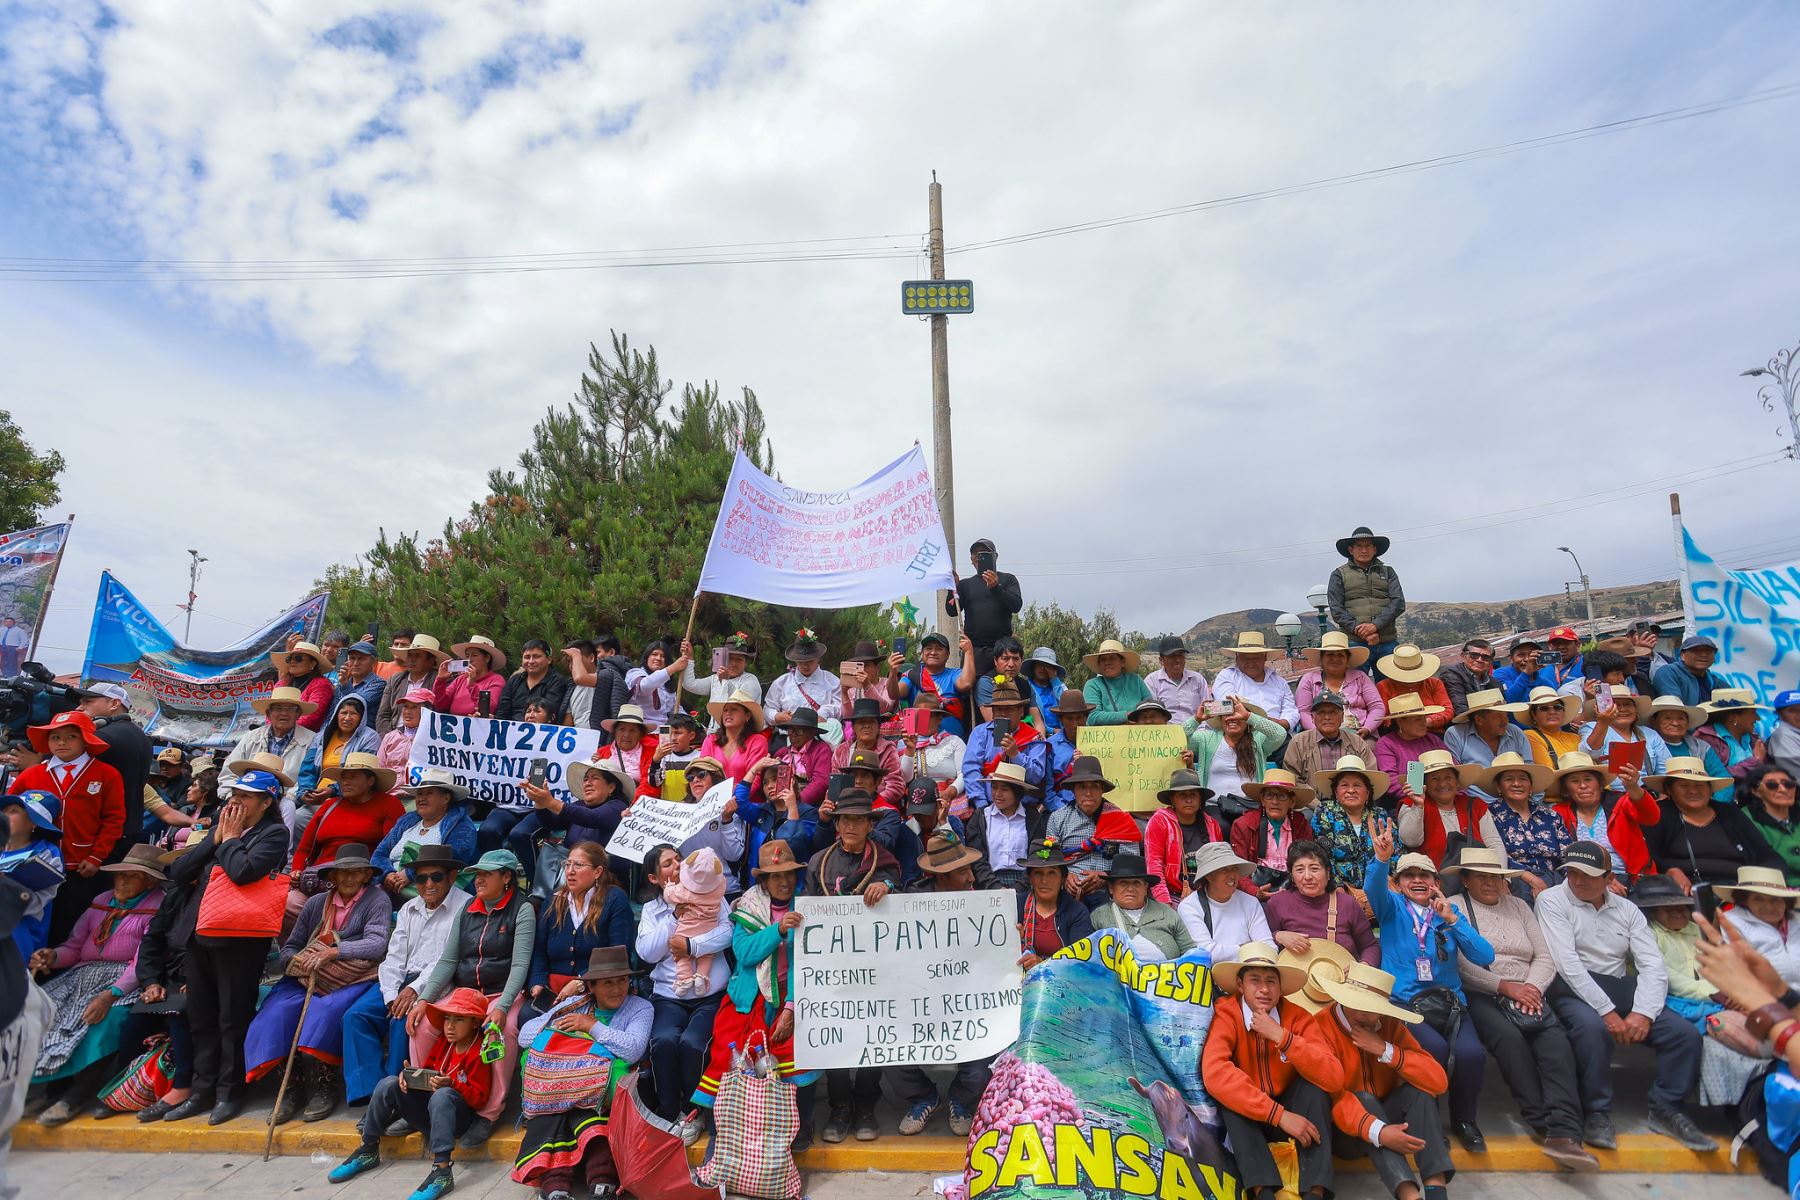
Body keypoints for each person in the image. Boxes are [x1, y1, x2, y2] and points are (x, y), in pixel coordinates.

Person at [1536, 840, 1715, 1151]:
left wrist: (1643, 1013)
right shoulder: (1552, 901)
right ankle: (1597, 1111)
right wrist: (1607, 1013)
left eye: (1588, 874)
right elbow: (1569, 965)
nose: (1577, 880)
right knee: (1593, 1031)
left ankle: (1667, 1106)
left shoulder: (1627, 908)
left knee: (1682, 1034)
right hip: (1573, 991)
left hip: (1620, 987)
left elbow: (1652, 965)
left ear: (1608, 878)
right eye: (1572, 872)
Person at [1444, 846, 1597, 1170]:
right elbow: (1458, 963)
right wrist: (1503, 986)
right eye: (1481, 877)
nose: (1489, 883)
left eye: (1495, 877)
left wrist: (1531, 988)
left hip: (1529, 990)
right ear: (1466, 880)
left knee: (1555, 1044)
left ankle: (1565, 1133)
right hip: (1484, 992)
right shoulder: (1455, 907)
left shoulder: (1519, 906)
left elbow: (1544, 954)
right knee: (1509, 1041)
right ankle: (1542, 1122)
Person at [160, 767, 291, 1125]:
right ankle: (202, 1090)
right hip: (200, 933)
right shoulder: (221, 829)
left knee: (232, 1018)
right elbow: (178, 871)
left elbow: (244, 873)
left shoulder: (275, 833)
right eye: (235, 794)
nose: (236, 801)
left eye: (246, 796)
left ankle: (229, 1091)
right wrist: (215, 839)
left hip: (239, 939)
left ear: (266, 802)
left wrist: (230, 840)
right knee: (201, 1017)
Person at [1363, 828, 1495, 1151]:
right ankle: (1430, 1122)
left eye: (1425, 875)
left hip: (1450, 1004)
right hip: (1406, 1004)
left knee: (1471, 1055)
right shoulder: (1392, 906)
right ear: (1398, 882)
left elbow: (1485, 955)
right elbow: (1372, 888)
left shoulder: (1448, 912)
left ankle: (1465, 1119)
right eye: (1409, 875)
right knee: (1432, 1051)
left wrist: (1453, 921)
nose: (1418, 881)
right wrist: (1382, 859)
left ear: (1437, 881)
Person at [246, 842, 389, 1125]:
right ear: (332, 877)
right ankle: (291, 1089)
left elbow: (377, 944)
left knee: (324, 1013)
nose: (349, 878)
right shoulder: (314, 904)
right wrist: (294, 961)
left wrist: (334, 952)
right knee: (274, 1016)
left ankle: (324, 1088)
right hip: (307, 976)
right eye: (342, 873)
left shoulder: (377, 900)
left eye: (356, 872)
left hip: (353, 977)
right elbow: (291, 945)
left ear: (365, 875)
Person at [690, 841, 819, 1144]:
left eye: (788, 874)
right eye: (775, 876)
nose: (784, 881)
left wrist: (790, 1007)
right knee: (728, 1054)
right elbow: (744, 953)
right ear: (763, 880)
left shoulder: (808, 906)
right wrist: (778, 931)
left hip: (794, 995)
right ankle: (726, 1128)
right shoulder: (748, 908)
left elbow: (809, 961)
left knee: (798, 1053)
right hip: (749, 998)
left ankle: (799, 1129)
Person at [406, 848, 536, 1147]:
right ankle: (429, 1100)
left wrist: (503, 1006)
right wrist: (424, 999)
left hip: (502, 992)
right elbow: (449, 961)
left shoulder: (522, 908)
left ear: (507, 878)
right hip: (464, 994)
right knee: (422, 1023)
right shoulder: (468, 908)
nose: (478, 879)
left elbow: (519, 965)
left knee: (502, 1031)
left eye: (487, 874)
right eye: (477, 874)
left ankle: (489, 1113)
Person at [27, 843, 164, 1125]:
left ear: (149, 881)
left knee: (99, 1019)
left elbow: (143, 963)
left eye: (132, 876)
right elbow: (75, 947)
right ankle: (47, 1088)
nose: (123, 881)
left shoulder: (158, 906)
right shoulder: (101, 901)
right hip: (81, 975)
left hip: (124, 982)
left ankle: (76, 1095)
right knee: (40, 1007)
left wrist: (110, 995)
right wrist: (52, 957)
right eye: (120, 875)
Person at [1202, 941, 1345, 1200]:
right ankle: (1263, 1192)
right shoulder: (1226, 1013)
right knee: (1230, 1099)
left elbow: (1333, 1077)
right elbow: (1215, 1073)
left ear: (1281, 988)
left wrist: (1283, 1037)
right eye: (1255, 980)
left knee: (1315, 1090)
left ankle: (1315, 1191)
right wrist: (1278, 1115)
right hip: (1253, 1123)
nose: (1264, 989)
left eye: (1271, 981)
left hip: (1292, 1114)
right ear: (1240, 985)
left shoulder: (1298, 1017)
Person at [508, 947, 650, 1200]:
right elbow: (526, 1036)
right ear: (591, 986)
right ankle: (562, 1186)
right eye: (608, 983)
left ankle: (594, 1181)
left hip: (601, 1096)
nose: (617, 989)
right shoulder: (576, 1004)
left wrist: (591, 1026)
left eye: (622, 980)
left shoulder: (640, 1008)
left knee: (569, 1110)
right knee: (559, 1107)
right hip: (564, 1088)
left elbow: (633, 1050)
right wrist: (556, 1029)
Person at [327, 986, 495, 1200]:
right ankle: (368, 1148)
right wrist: (409, 1078)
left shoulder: (478, 1051)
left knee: (443, 1096)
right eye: (447, 1019)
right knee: (388, 1083)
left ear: (474, 1023)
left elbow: (480, 1099)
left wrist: (452, 1085)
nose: (450, 1026)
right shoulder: (444, 1043)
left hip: (456, 1121)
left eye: (459, 1020)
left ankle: (442, 1172)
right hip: (430, 1115)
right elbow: (427, 1074)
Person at [892, 830, 1005, 1136]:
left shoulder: (984, 904)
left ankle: (961, 1099)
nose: (972, 878)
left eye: (970, 869)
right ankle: (924, 1098)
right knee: (887, 1052)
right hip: (919, 1003)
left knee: (982, 1064)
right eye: (963, 871)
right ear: (940, 877)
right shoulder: (908, 904)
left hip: (969, 1003)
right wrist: (882, 886)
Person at [1309, 962, 1452, 1200]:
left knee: (1420, 1093)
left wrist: (1386, 1050)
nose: (1361, 1014)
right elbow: (1333, 1095)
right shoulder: (1321, 1027)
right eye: (1356, 1005)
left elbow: (1438, 1082)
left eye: (1371, 1008)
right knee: (1363, 1098)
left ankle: (1437, 1191)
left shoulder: (1390, 1027)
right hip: (1345, 1132)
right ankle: (1409, 1196)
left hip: (1386, 1116)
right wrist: (1380, 1131)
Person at [802, 789, 898, 1142]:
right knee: (837, 1034)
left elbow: (904, 899)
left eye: (859, 819)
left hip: (875, 968)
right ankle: (841, 1104)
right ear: (837, 823)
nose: (851, 825)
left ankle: (866, 1103)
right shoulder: (818, 863)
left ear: (870, 825)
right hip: (832, 967)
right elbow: (810, 910)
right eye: (846, 819)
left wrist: (886, 886)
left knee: (873, 1033)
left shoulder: (884, 861)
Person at [344, 844, 469, 1108]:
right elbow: (393, 959)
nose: (428, 884)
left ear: (452, 877)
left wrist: (414, 990)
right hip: (399, 983)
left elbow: (448, 960)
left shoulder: (465, 907)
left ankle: (393, 1099)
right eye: (421, 878)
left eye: (436, 877)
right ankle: (373, 1092)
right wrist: (391, 997)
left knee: (404, 1022)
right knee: (355, 1016)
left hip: (437, 984)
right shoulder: (409, 908)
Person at [1636, 875, 1768, 1108]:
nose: (1678, 913)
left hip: (1720, 998)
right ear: (1653, 911)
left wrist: (1733, 991)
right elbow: (1666, 976)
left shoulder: (1698, 931)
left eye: (1682, 907)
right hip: (1676, 1002)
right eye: (1668, 909)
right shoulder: (1648, 934)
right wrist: (1717, 993)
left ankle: (1759, 1095)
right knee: (1740, 1033)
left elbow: (1725, 964)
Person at [632, 841, 731, 1124]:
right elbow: (647, 952)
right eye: (667, 864)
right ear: (654, 878)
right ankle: (669, 1112)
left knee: (692, 1043)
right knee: (663, 1041)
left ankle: (695, 1113)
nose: (677, 866)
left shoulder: (714, 893)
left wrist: (691, 945)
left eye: (678, 859)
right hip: (668, 996)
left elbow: (727, 933)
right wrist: (675, 917)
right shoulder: (653, 910)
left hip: (710, 993)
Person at [10, 711, 125, 947]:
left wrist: (96, 856)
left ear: (85, 740)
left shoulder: (106, 774)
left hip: (81, 867)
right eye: (55, 737)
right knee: (31, 920)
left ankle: (57, 972)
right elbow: (8, 815)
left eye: (71, 736)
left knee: (70, 925)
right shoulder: (31, 775)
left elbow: (114, 819)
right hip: (33, 866)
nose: (62, 743)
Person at [1643, 755, 1781, 894]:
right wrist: (1669, 870)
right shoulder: (1658, 813)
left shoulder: (1730, 813)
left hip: (1739, 892)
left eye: (1699, 785)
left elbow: (1768, 856)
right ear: (1669, 790)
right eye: (1684, 785)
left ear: (1710, 790)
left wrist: (1765, 881)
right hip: (1684, 893)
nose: (1693, 791)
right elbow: (1648, 857)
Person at [290, 751, 405, 914]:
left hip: (362, 877)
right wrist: (297, 870)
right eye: (344, 777)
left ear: (371, 780)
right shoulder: (329, 805)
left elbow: (391, 849)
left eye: (353, 777)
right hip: (321, 877)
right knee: (291, 903)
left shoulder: (389, 804)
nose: (346, 782)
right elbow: (305, 849)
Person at [530, 841, 634, 1003]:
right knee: (527, 1016)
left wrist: (582, 980)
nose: (570, 871)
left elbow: (618, 951)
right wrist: (538, 982)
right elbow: (539, 950)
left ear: (597, 871)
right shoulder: (554, 899)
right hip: (552, 988)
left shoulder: (614, 898)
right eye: (567, 864)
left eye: (578, 865)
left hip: (598, 988)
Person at [1547, 750, 1658, 887]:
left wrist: (1633, 788)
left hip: (1633, 881)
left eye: (1588, 779)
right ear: (1566, 789)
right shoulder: (1559, 813)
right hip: (1584, 882)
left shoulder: (1621, 802)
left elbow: (1651, 818)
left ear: (1600, 784)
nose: (1583, 786)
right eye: (1574, 781)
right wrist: (1603, 881)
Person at [1266, 840, 1379, 966]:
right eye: (1299, 870)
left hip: (1340, 982)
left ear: (1328, 872)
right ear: (1292, 876)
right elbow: (1261, 943)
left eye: (1314, 869)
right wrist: (1278, 936)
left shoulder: (1347, 904)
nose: (1307, 876)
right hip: (1294, 983)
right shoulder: (1277, 903)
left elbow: (1370, 946)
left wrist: (1363, 965)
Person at [373, 767, 479, 901]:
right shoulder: (406, 821)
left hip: (435, 891)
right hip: (392, 887)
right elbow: (380, 853)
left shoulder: (461, 825)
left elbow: (454, 857)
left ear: (446, 798)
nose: (421, 798)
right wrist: (388, 874)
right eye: (419, 794)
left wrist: (410, 874)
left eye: (429, 793)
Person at [216, 686, 316, 822]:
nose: (284, 713)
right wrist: (233, 797)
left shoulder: (312, 740)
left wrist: (282, 801)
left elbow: (309, 777)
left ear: (298, 714)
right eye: (278, 708)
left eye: (290, 709)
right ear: (268, 713)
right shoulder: (251, 737)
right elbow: (229, 772)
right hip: (245, 805)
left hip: (286, 806)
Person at [1181, 694, 1287, 822]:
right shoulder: (1206, 738)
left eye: (1237, 713)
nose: (1232, 718)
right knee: (1220, 826)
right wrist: (1197, 719)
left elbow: (1280, 734)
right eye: (1227, 714)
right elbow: (1178, 737)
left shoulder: (1258, 739)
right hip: (1214, 807)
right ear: (1220, 719)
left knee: (1249, 827)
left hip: (1250, 807)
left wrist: (1248, 716)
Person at [1474, 754, 1567, 899]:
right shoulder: (1490, 815)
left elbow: (1567, 853)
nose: (1517, 783)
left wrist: (1570, 881)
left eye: (1523, 778)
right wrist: (1531, 879)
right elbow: (1497, 853)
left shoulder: (1550, 815)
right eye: (1509, 779)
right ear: (1499, 786)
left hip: (1556, 879)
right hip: (1517, 879)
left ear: (1531, 785)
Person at [75, 682, 152, 854]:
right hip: (126, 829)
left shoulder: (102, 736)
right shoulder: (141, 736)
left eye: (88, 702)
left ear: (114, 704)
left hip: (100, 833)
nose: (79, 708)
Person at [1395, 750, 1501, 871]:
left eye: (1448, 777)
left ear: (1457, 782)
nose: (1442, 784)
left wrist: (1501, 878)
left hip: (1476, 879)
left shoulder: (1475, 805)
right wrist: (1418, 806)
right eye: (1435, 779)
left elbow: (1494, 844)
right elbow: (1410, 841)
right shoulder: (1410, 804)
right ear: (1425, 784)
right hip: (1432, 881)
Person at [1045, 756, 1127, 911]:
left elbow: (1131, 860)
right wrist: (1064, 877)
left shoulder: (1120, 820)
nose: (1088, 793)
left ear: (1102, 790)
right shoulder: (1057, 819)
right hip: (1067, 894)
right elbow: (1047, 857)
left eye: (1094, 786)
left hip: (1109, 894)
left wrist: (1105, 876)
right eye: (1082, 787)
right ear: (1073, 790)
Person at [1304, 756, 1394, 895]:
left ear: (1367, 793)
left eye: (1357, 785)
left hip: (1381, 892)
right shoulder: (1325, 812)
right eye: (1344, 785)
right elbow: (1322, 855)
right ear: (1336, 792)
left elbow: (1396, 854)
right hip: (1341, 892)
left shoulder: (1379, 815)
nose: (1351, 790)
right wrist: (1337, 887)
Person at [960, 681, 1050, 810]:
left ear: (1020, 711)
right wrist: (981, 804)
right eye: (998, 709)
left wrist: (1015, 755)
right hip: (986, 804)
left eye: (1009, 709)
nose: (1002, 714)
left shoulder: (1034, 738)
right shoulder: (980, 733)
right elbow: (971, 769)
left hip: (1024, 806)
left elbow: (1036, 777)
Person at [1091, 851, 1193, 962]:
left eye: (1136, 883)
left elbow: (1191, 952)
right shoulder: (1099, 916)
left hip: (1168, 977)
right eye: (1123, 883)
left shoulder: (1166, 913)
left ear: (1146, 888)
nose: (1130, 889)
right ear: (1111, 888)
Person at [1177, 842, 1270, 963]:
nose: (1232, 875)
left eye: (1234, 868)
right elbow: (1206, 953)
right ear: (1209, 876)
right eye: (1224, 870)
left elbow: (1269, 947)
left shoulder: (1250, 902)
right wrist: (1250, 949)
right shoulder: (1190, 907)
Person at [1144, 768, 1227, 904]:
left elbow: (1219, 864)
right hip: (1173, 895)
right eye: (1182, 795)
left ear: (1200, 799)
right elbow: (1154, 866)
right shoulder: (1160, 822)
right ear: (1172, 799)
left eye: (1193, 795)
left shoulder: (1211, 825)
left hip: (1207, 895)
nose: (1189, 800)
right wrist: (1165, 904)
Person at [1327, 526, 1407, 666]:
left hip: (1387, 641)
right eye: (1359, 546)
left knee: (1388, 686)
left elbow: (1398, 603)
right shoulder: (1338, 574)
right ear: (1351, 550)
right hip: (1354, 642)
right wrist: (1364, 631)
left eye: (1368, 546)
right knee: (1356, 685)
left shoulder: (1389, 572)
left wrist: (1375, 626)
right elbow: (1336, 610)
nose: (1364, 550)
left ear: (1374, 549)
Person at [1231, 769, 1315, 899]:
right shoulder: (1244, 825)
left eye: (1282, 796)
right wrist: (1254, 891)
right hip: (1253, 894)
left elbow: (1308, 862)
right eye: (1269, 795)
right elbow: (1239, 870)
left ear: (1292, 802)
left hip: (1294, 892)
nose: (1275, 802)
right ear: (1262, 800)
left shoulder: (1301, 824)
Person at [293, 693, 378, 814]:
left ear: (362, 717)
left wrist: (332, 790)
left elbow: (362, 772)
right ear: (336, 714)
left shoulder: (369, 737)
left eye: (353, 713)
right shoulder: (322, 736)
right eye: (343, 713)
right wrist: (306, 792)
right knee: (297, 818)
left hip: (346, 797)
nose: (347, 718)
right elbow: (308, 768)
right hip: (317, 797)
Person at [1015, 838, 1095, 969]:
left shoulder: (1076, 912)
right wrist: (1015, 942)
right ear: (1030, 877)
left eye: (1052, 873)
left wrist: (1043, 964)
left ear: (1063, 878)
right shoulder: (1017, 906)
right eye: (1038, 873)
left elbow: (1080, 962)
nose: (1044, 881)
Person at [965, 762, 1045, 891]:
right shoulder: (980, 817)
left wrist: (1019, 888)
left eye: (1004, 789)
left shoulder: (1032, 818)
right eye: (994, 787)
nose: (997, 794)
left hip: (1026, 885)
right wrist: (995, 887)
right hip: (988, 884)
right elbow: (977, 858)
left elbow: (1037, 856)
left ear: (1017, 792)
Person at [947, 538, 1023, 675]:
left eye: (984, 553)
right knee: (973, 689)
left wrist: (996, 588)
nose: (979, 556)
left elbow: (1016, 605)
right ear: (971, 559)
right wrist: (952, 588)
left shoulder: (1008, 579)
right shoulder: (965, 585)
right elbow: (952, 611)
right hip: (975, 650)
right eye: (975, 554)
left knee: (1004, 688)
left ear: (995, 556)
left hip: (1002, 650)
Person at [2, 791, 63, 958]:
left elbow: (39, 900)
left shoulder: (46, 853)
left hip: (22, 933)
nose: (5, 815)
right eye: (4, 810)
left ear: (34, 822)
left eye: (13, 811)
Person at [1719, 866, 1800, 988]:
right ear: (1745, 901)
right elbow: (1736, 969)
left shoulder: (1797, 920)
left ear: (1786, 901)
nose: (1768, 907)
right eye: (1758, 899)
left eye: (1775, 899)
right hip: (1762, 997)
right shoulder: (1732, 922)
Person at [1293, 631, 1383, 735]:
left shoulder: (1360, 677)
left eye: (1340, 655)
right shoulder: (1309, 680)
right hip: (1319, 736)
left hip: (1360, 735)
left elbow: (1377, 707)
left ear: (1347, 659)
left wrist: (1368, 728)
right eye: (1330, 654)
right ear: (1321, 659)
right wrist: (1317, 732)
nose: (1335, 658)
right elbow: (1303, 711)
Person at [1442, 690, 1530, 797]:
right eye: (1497, 716)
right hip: (1477, 804)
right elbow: (1455, 777)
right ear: (1479, 720)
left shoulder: (1515, 732)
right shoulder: (1456, 735)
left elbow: (1530, 769)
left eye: (1505, 714)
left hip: (1517, 801)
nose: (1505, 720)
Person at [1211, 633, 1300, 731]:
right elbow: (1227, 704)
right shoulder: (1227, 676)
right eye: (1246, 658)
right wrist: (1260, 721)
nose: (1251, 663)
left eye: (1256, 658)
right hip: (1241, 734)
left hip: (1277, 733)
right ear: (1237, 657)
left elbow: (1290, 710)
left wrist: (1283, 723)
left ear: (1265, 657)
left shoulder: (1279, 682)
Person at [700, 687, 772, 805]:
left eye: (734, 709)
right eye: (725, 710)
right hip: (711, 804)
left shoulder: (757, 741)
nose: (728, 713)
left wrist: (730, 798)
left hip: (745, 805)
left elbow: (755, 780)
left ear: (747, 716)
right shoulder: (711, 740)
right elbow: (701, 773)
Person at [1370, 694, 1447, 804]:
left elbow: (1453, 767)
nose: (1423, 723)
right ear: (1400, 722)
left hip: (1443, 796)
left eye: (1424, 718)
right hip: (1408, 802)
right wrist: (1419, 796)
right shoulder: (1386, 744)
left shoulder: (1433, 740)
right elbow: (1390, 781)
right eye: (1417, 719)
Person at [679, 633, 762, 732]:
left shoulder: (751, 680)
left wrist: (725, 680)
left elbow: (741, 702)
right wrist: (689, 658)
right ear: (723, 659)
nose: (734, 663)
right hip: (714, 735)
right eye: (730, 658)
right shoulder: (715, 679)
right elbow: (690, 685)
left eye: (739, 659)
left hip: (740, 736)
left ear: (745, 663)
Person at [1282, 690, 1373, 779]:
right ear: (1313, 718)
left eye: (1333, 712)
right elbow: (1292, 778)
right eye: (1321, 713)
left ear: (1342, 717)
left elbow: (1370, 776)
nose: (1327, 717)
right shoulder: (1298, 743)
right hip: (1311, 794)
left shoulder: (1357, 743)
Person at [762, 629, 841, 726]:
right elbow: (768, 708)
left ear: (818, 658)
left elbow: (842, 708)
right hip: (788, 736)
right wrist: (776, 716)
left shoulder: (832, 681)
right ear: (795, 660)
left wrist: (826, 712)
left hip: (823, 737)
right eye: (801, 661)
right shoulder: (781, 683)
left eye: (810, 661)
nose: (805, 666)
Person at [376, 633, 449, 735]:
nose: (411, 659)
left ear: (431, 661)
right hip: (393, 737)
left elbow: (443, 714)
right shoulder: (395, 680)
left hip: (426, 739)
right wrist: (388, 739)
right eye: (409, 655)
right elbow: (383, 715)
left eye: (417, 656)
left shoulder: (441, 681)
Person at [1695, 687, 1770, 784]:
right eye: (1753, 713)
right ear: (1734, 717)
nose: (1758, 718)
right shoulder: (1706, 739)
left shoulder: (1753, 738)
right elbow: (1715, 775)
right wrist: (1755, 761)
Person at [1374, 647, 1452, 735]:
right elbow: (1385, 717)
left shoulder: (1434, 683)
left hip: (1434, 733)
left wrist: (1424, 722)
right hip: (1399, 735)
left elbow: (1447, 710)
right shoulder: (1383, 686)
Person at [1745, 761, 1800, 884]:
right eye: (1772, 785)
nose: (1783, 789)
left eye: (1789, 784)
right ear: (1756, 791)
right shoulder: (1746, 819)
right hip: (1776, 891)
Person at [496, 639, 572, 722]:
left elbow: (548, 712)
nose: (531, 661)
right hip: (510, 730)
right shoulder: (514, 680)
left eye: (536, 656)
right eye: (527, 657)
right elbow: (502, 713)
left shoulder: (557, 681)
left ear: (549, 659)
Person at [1079, 639, 1151, 726]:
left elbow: (1149, 707)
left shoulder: (1136, 680)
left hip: (1137, 735)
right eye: (1103, 659)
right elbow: (1093, 717)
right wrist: (1126, 716)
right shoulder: (1092, 685)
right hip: (1105, 738)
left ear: (1122, 662)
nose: (1107, 662)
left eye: (1112, 658)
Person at [434, 635, 508, 718]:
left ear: (487, 658)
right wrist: (440, 680)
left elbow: (490, 708)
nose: (470, 660)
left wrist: (472, 684)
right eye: (467, 656)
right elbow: (440, 705)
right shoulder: (461, 679)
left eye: (474, 655)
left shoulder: (496, 680)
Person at [272, 639, 337, 731]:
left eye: (298, 658)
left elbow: (312, 716)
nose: (292, 661)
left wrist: (283, 729)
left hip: (306, 739)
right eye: (289, 658)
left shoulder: (322, 684)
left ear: (312, 663)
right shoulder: (281, 684)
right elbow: (270, 711)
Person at [595, 704, 658, 797]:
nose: (626, 735)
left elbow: (649, 785)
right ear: (615, 732)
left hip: (634, 803)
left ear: (641, 735)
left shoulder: (651, 754)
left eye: (632, 730)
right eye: (622, 729)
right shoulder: (601, 752)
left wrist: (633, 806)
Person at [1146, 635, 1210, 725]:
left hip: (1197, 730)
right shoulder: (1152, 681)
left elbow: (1208, 710)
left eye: (1181, 655)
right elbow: (1153, 714)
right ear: (1161, 660)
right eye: (1172, 656)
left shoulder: (1198, 679)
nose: (1177, 660)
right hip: (1168, 733)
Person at [624, 639, 685, 730]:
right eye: (654, 654)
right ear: (647, 657)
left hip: (664, 730)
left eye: (663, 656)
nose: (658, 658)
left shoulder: (667, 684)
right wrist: (672, 668)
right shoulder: (635, 673)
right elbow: (644, 686)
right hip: (640, 729)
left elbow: (676, 709)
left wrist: (695, 725)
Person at [1652, 635, 1726, 706]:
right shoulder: (1668, 673)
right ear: (1682, 656)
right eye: (1697, 651)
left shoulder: (1716, 682)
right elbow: (1675, 707)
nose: (1703, 655)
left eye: (1708, 651)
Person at [376, 685, 432, 777]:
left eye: (414, 707)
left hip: (419, 790)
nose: (407, 712)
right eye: (406, 706)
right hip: (391, 790)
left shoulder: (432, 740)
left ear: (428, 711)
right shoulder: (390, 737)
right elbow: (379, 769)